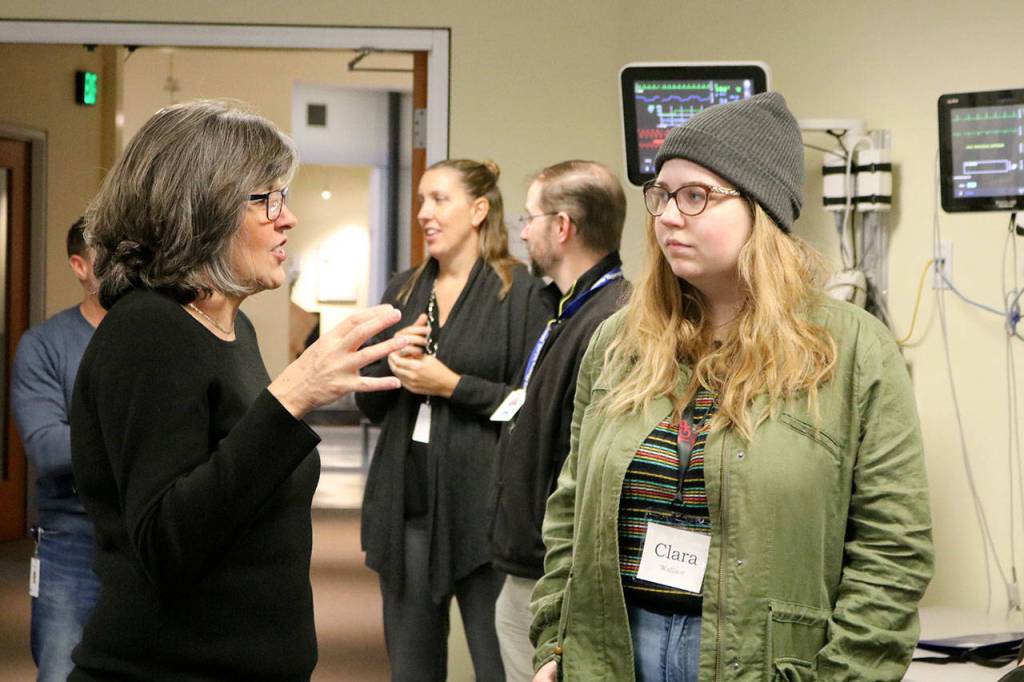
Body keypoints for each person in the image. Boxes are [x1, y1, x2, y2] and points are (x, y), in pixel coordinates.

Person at [530, 93, 934, 682]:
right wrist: (553, 644)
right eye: (662, 195)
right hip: (613, 650)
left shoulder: (853, 350)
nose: (668, 215)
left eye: (696, 196)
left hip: (763, 660)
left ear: (761, 210)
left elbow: (893, 549)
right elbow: (569, 509)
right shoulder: (621, 341)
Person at [67, 100, 407, 681]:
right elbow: (166, 543)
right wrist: (290, 399)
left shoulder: (232, 327)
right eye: (267, 198)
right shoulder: (148, 330)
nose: (288, 218)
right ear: (200, 209)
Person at [356, 159, 550, 681]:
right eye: (421, 201)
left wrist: (452, 386)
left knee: (499, 668)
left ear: (479, 210)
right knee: (411, 670)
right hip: (406, 510)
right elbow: (367, 402)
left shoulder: (523, 294)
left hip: (484, 516)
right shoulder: (403, 290)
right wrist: (389, 364)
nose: (424, 213)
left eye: (439, 200)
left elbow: (530, 406)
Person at [489, 160, 629, 681]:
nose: (522, 232)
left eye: (529, 218)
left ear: (563, 226)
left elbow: (590, 464)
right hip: (533, 564)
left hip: (555, 577)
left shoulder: (612, 321)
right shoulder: (571, 309)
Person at [11, 219, 105, 682]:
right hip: (73, 538)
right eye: (109, 257)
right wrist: (141, 435)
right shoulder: (45, 345)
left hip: (150, 537)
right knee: (61, 673)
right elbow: (49, 449)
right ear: (79, 266)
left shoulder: (156, 340)